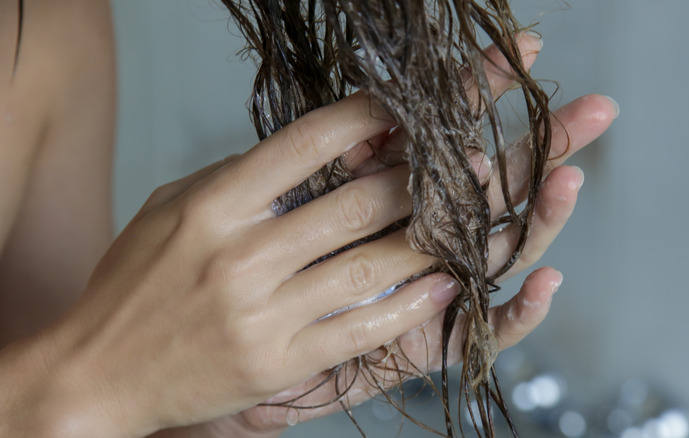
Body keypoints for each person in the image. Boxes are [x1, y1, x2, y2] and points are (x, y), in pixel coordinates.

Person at [0, 1, 617, 437]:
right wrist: (99, 383)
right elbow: (66, 386)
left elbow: (52, 369)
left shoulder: (49, 27)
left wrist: (203, 407)